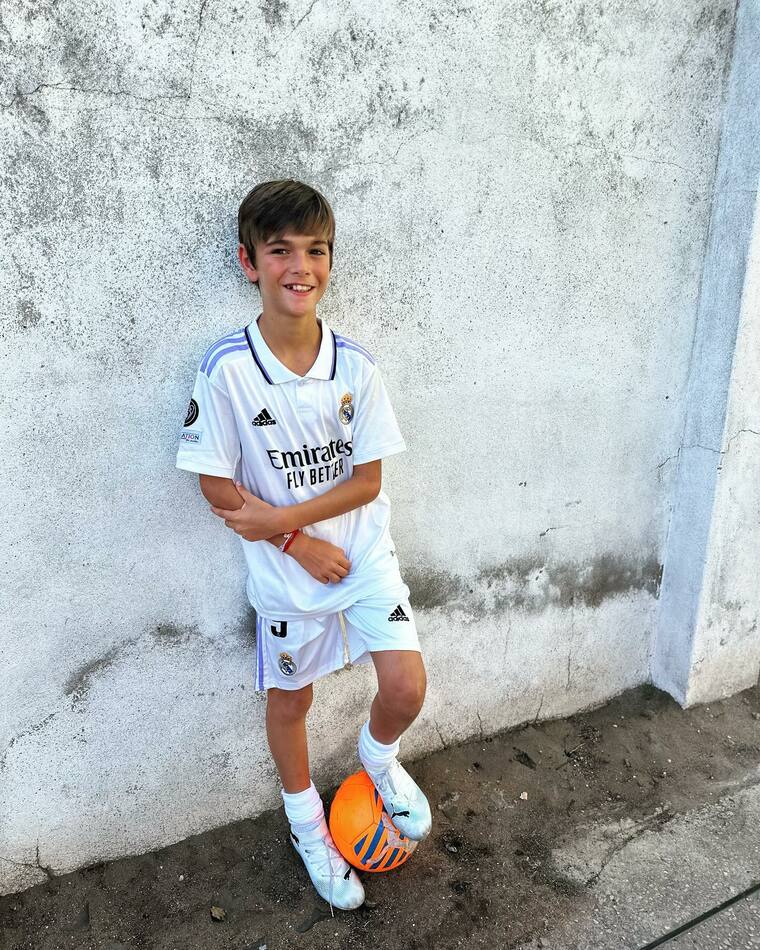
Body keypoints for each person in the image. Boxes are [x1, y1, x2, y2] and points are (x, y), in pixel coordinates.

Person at [176, 179, 430, 911]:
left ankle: (378, 759)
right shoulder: (227, 369)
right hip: (289, 578)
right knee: (292, 701)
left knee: (406, 688)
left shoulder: (356, 366)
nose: (300, 267)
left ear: (329, 261)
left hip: (363, 557)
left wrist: (287, 518)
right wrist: (294, 540)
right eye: (280, 250)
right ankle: (308, 826)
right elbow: (218, 488)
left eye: (315, 251)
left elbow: (368, 481)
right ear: (248, 262)